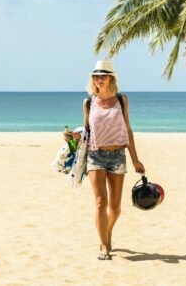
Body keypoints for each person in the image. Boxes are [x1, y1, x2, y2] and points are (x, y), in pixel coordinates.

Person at [64, 60, 145, 260]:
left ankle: (106, 232)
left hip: (118, 155)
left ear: (111, 78)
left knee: (115, 208)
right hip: (95, 155)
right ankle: (104, 246)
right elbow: (86, 131)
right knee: (101, 201)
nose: (99, 79)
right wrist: (72, 136)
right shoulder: (88, 102)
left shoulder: (122, 100)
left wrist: (136, 159)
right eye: (96, 76)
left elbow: (128, 130)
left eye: (103, 75)